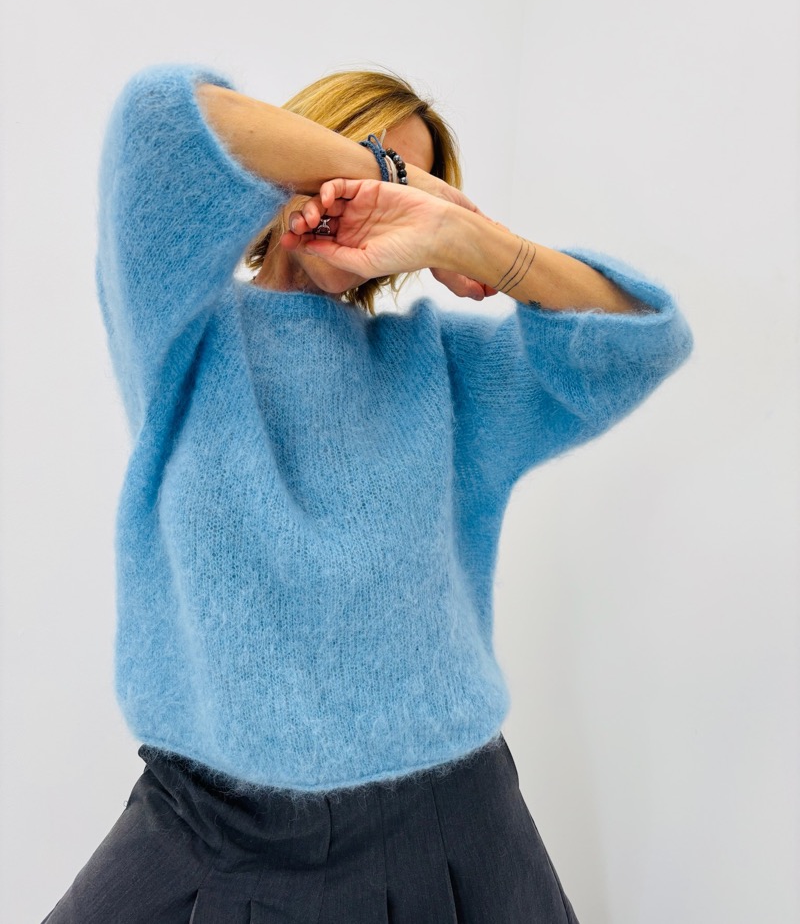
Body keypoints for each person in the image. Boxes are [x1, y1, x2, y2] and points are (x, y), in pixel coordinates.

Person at [42, 60, 694, 924]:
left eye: (408, 182)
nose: (373, 194)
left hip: (452, 818)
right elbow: (159, 123)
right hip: (212, 824)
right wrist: (376, 172)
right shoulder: (183, 336)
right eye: (360, 158)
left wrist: (471, 238)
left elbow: (644, 344)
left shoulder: (442, 367)